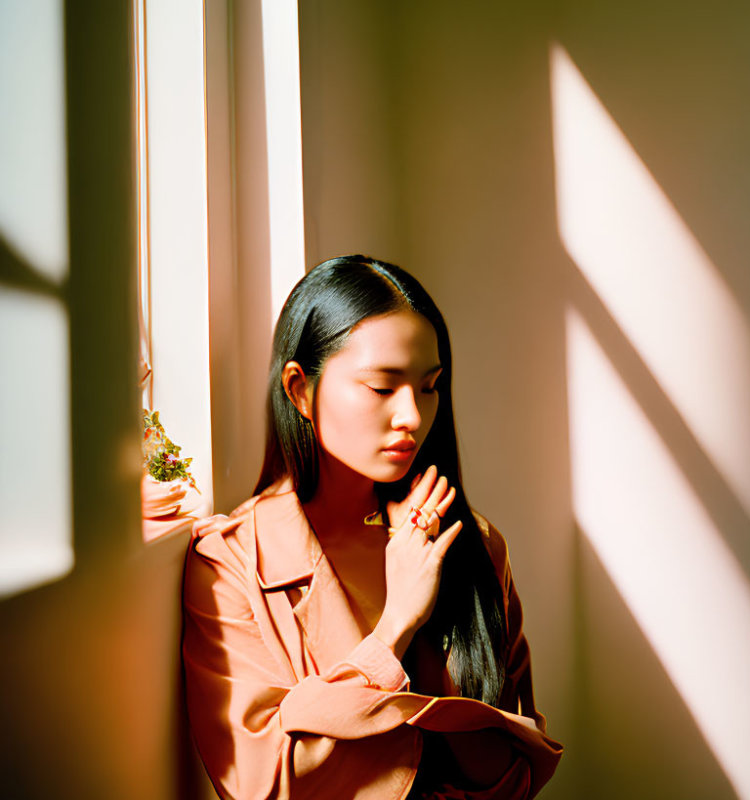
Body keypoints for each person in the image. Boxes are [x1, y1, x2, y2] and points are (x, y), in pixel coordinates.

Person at [182, 255, 562, 799]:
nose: (412, 415)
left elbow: (514, 771)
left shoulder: (472, 545)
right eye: (382, 388)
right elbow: (262, 784)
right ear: (299, 390)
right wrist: (395, 628)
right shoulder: (231, 563)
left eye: (429, 386)